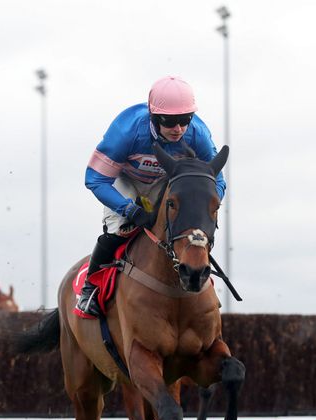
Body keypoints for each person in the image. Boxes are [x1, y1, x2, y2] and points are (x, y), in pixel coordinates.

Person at [76, 76, 227, 317]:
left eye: (185, 120)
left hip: (162, 183)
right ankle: (89, 290)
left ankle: (203, 284)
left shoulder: (197, 133)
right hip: (124, 181)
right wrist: (130, 210)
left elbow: (217, 180)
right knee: (119, 231)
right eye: (169, 121)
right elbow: (95, 179)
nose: (178, 129)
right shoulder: (126, 131)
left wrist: (207, 203)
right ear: (154, 117)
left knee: (187, 226)